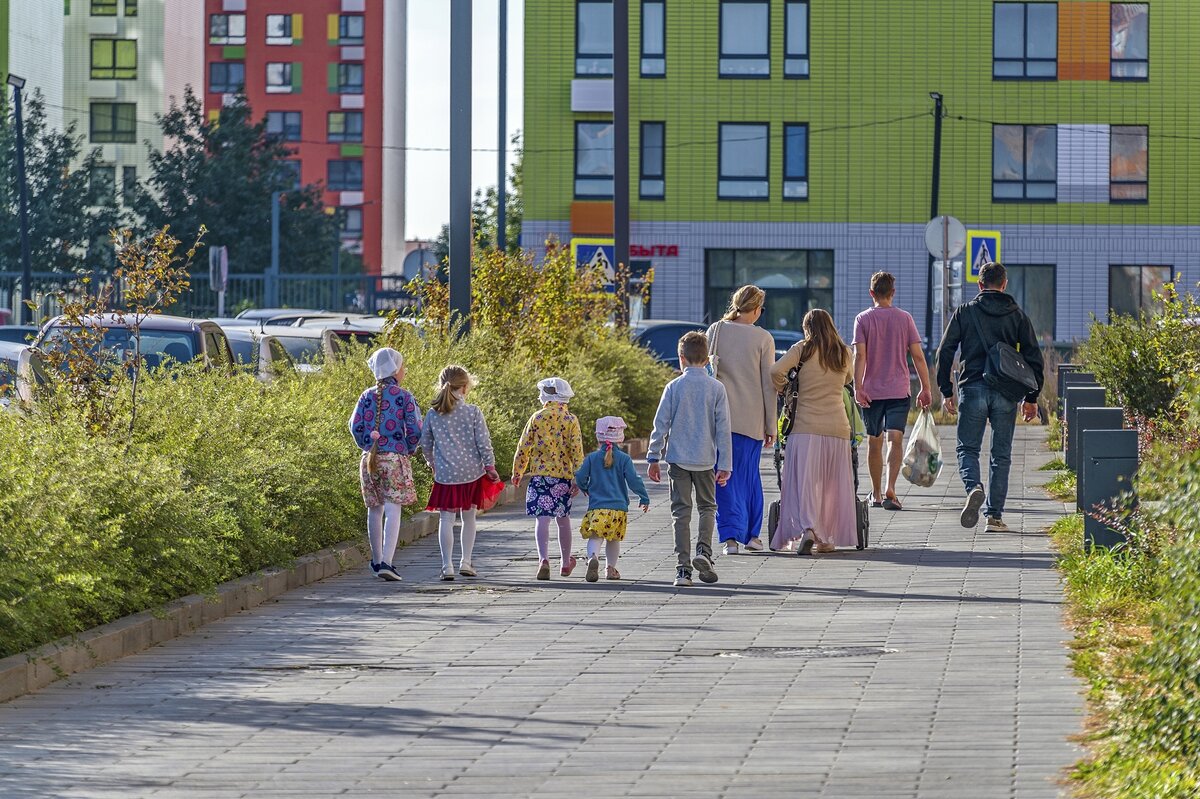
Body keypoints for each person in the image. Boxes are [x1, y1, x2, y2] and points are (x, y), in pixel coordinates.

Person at [936, 261, 1043, 532]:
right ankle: (994, 516)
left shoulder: (964, 312)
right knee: (1001, 454)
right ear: (1004, 284)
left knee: (967, 448)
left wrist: (946, 389)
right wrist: (1031, 397)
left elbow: (945, 352)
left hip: (972, 388)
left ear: (980, 284)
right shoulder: (1017, 315)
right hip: (1006, 392)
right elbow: (1033, 357)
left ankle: (974, 487)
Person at [647, 331, 732, 587]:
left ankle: (682, 570)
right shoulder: (717, 388)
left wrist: (653, 456)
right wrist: (725, 464)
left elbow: (660, 423)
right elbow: (723, 428)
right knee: (708, 508)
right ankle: (704, 551)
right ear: (707, 360)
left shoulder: (673, 387)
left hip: (678, 460)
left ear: (681, 359)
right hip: (706, 460)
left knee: (680, 512)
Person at [770, 310, 857, 554]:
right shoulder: (843, 352)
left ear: (807, 327)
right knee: (830, 485)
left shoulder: (802, 349)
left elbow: (774, 371)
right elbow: (849, 379)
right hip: (837, 427)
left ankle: (808, 528)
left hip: (805, 428)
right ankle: (826, 538)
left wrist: (783, 387)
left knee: (804, 483)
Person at [852, 271, 933, 510]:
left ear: (871, 293)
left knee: (874, 441)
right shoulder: (905, 318)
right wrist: (926, 388)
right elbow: (918, 356)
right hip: (899, 390)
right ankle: (891, 489)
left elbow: (859, 355)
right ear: (893, 293)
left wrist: (858, 387)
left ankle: (876, 494)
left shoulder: (862, 319)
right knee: (895, 439)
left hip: (871, 392)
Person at [705, 285, 776, 555]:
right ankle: (752, 536)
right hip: (752, 418)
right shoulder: (763, 338)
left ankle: (729, 538)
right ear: (757, 309)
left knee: (722, 476)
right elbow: (768, 385)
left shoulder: (716, 330)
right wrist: (771, 425)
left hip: (719, 417)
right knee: (749, 476)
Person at [419, 365, 504, 581]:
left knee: (446, 519)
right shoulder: (473, 411)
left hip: (445, 474)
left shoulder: (433, 414)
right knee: (469, 518)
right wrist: (490, 467)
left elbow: (425, 443)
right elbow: (484, 443)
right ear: (465, 387)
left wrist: (432, 464)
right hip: (471, 473)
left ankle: (446, 566)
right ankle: (466, 561)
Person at [348, 347, 423, 581]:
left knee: (374, 508)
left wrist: (366, 443)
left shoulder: (366, 395)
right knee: (393, 509)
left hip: (369, 458)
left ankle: (376, 559)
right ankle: (388, 562)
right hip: (394, 459)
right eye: (402, 366)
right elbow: (415, 429)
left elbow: (354, 425)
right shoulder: (404, 396)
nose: (405, 370)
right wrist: (409, 448)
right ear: (394, 369)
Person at [512, 377, 585, 580]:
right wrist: (579, 477)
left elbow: (523, 446)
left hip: (539, 477)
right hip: (562, 477)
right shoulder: (571, 420)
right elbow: (576, 451)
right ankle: (564, 562)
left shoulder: (537, 417)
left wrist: (517, 472)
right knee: (563, 520)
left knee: (542, 520)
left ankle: (543, 559)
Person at [574, 416, 651, 582]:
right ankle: (610, 569)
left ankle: (592, 558)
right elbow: (634, 480)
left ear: (598, 436)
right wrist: (643, 497)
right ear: (620, 436)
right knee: (613, 539)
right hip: (618, 509)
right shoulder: (624, 459)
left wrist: (584, 487)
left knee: (596, 537)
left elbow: (580, 476)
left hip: (597, 508)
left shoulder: (592, 458)